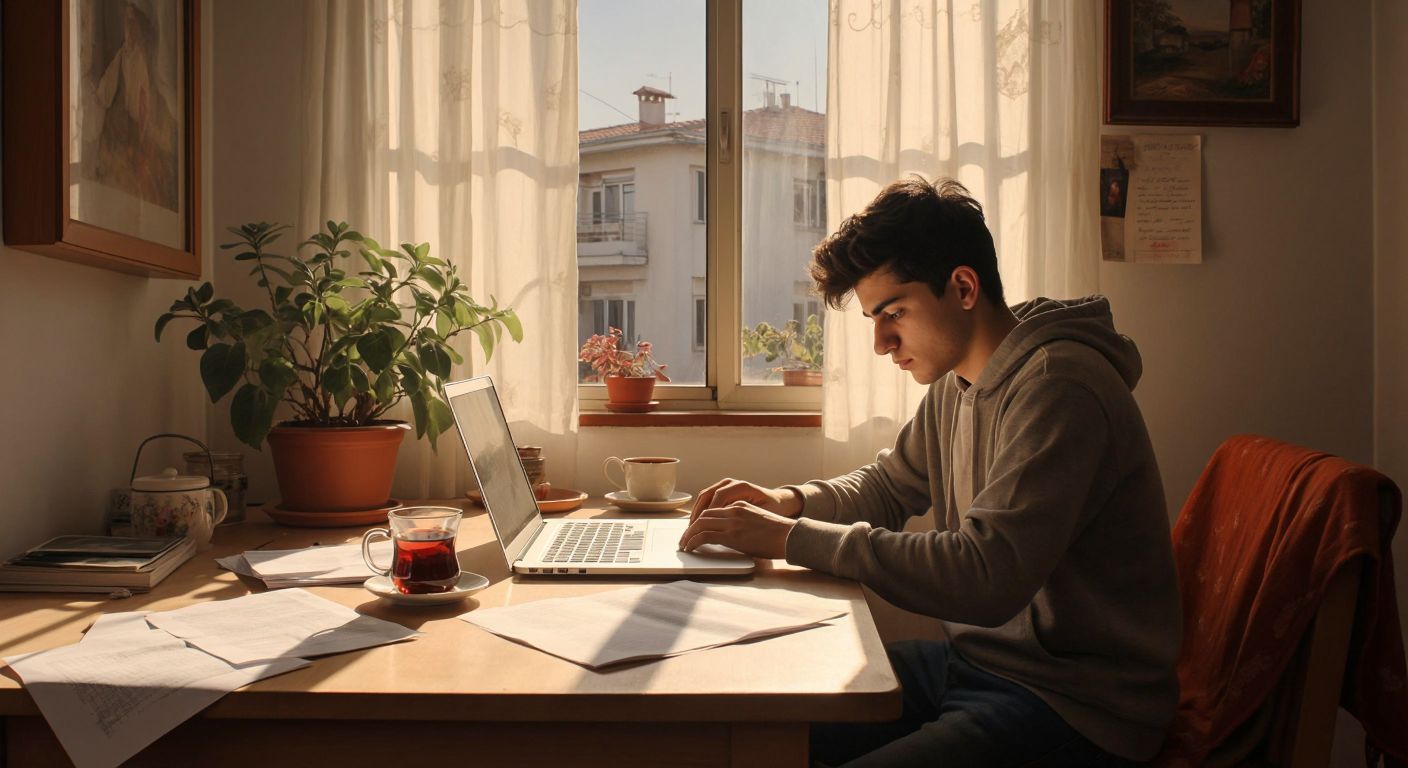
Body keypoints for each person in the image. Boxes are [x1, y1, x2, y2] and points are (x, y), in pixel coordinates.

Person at [679, 177, 1180, 766]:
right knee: (757, 723)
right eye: (873, 318)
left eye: (893, 312)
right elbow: (890, 486)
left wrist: (791, 540)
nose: (881, 343)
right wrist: (786, 500)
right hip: (976, 666)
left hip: (1075, 704)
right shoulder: (959, 381)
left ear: (963, 287)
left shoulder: (1058, 387)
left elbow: (985, 575)